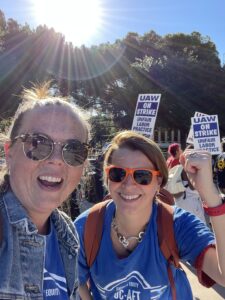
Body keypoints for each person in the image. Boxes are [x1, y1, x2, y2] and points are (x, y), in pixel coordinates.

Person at [75, 130, 225, 300]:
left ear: (158, 181)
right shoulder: (86, 226)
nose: (129, 185)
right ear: (107, 177)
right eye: (118, 173)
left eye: (142, 176)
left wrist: (212, 197)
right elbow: (76, 281)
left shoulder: (176, 224)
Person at [0, 82, 90, 299]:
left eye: (73, 150)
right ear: (9, 151)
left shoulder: (66, 231)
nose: (57, 160)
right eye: (38, 144)